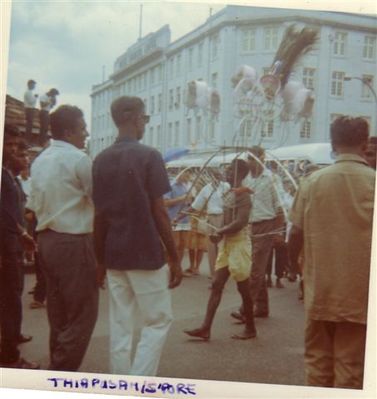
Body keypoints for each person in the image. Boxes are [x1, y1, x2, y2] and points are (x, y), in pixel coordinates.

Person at [92, 96, 182, 376]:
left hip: (114, 255)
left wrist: (99, 261)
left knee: (120, 325)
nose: (145, 123)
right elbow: (159, 211)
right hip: (145, 253)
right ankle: (138, 384)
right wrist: (175, 256)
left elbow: (99, 216)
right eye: (145, 117)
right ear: (134, 118)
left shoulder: (100, 159)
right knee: (157, 321)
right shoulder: (149, 156)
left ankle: (120, 384)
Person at [288, 116, 375, 389]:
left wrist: (294, 268)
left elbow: (296, 234)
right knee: (350, 368)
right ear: (364, 143)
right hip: (359, 293)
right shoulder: (373, 182)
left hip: (320, 289)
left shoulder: (312, 182)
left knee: (317, 364)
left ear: (333, 143)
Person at [27, 105, 98, 371]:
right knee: (83, 314)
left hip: (46, 241)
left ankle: (55, 369)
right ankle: (60, 372)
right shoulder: (79, 159)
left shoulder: (40, 160)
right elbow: (98, 201)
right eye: (82, 129)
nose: (86, 134)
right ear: (69, 132)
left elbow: (34, 205)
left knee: (58, 314)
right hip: (73, 241)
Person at [184, 159, 256, 340]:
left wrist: (221, 232)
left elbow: (241, 222)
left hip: (239, 244)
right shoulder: (230, 193)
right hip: (228, 244)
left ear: (239, 174)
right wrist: (220, 234)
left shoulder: (243, 196)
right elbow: (227, 219)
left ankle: (251, 328)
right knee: (217, 285)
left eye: (231, 170)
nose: (227, 173)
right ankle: (205, 328)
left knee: (243, 288)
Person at [231, 146, 285, 321]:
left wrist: (277, 231)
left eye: (254, 158)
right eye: (249, 158)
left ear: (263, 158)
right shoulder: (248, 180)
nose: (251, 162)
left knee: (254, 269)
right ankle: (261, 307)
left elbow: (280, 207)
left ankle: (246, 309)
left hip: (267, 225)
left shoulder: (272, 179)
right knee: (256, 268)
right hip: (251, 226)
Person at [0, 124, 38, 369]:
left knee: (13, 295)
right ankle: (10, 356)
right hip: (5, 247)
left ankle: (12, 337)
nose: (14, 151)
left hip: (12, 244)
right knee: (10, 299)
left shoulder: (9, 176)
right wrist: (21, 231)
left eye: (17, 146)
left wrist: (23, 232)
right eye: (9, 146)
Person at [164, 170, 191, 266]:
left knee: (182, 245)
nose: (188, 176)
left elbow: (187, 202)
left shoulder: (185, 186)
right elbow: (165, 203)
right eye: (186, 173)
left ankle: (178, 266)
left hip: (185, 218)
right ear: (181, 173)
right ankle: (170, 266)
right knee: (175, 244)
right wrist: (181, 198)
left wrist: (189, 201)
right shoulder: (170, 186)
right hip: (174, 218)